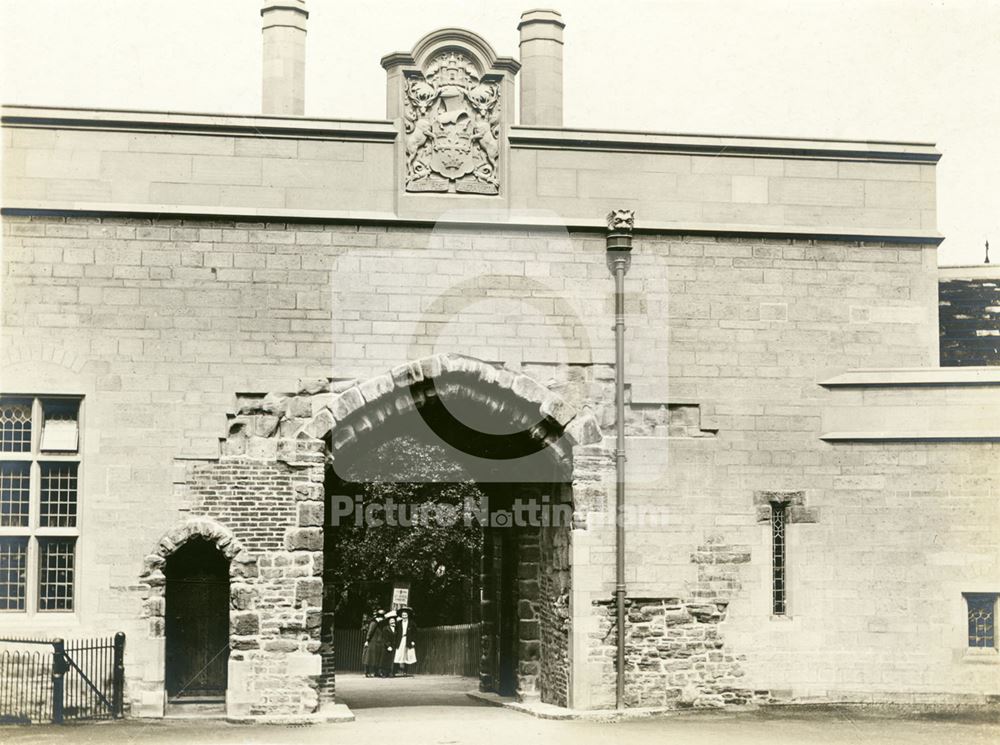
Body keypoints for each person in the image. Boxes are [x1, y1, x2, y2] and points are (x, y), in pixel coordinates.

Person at [393, 606, 417, 676]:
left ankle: (405, 671)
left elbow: (415, 633)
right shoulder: (398, 623)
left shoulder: (412, 623)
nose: (404, 616)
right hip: (400, 640)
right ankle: (394, 671)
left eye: (405, 615)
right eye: (403, 615)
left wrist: (413, 640)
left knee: (407, 655)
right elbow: (395, 631)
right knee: (398, 654)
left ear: (408, 615)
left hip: (408, 640)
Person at [362, 609, 386, 678]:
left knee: (376, 658)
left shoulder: (379, 623)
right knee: (369, 658)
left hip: (377, 642)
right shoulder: (374, 623)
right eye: (381, 617)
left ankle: (376, 672)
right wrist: (367, 640)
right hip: (372, 642)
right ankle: (367, 672)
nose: (382, 619)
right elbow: (370, 631)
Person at [380, 610, 398, 678]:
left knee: (392, 660)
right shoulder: (385, 629)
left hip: (394, 646)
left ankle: (391, 672)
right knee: (385, 660)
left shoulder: (396, 629)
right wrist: (388, 645)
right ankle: (384, 673)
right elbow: (385, 638)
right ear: (389, 622)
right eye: (391, 621)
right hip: (387, 647)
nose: (393, 622)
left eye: (393, 621)